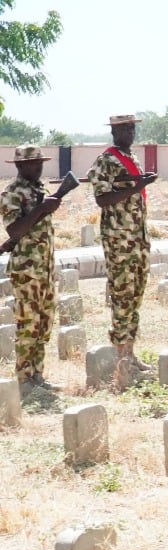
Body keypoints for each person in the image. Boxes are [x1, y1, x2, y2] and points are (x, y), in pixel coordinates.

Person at [87, 114, 158, 390]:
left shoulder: (131, 158)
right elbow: (102, 199)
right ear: (115, 131)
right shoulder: (107, 160)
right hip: (119, 240)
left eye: (133, 128)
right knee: (122, 295)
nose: (131, 132)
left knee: (135, 294)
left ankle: (130, 352)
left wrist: (139, 182)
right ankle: (120, 357)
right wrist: (139, 185)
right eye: (126, 129)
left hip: (137, 239)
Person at [2, 145, 63, 405]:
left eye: (40, 162)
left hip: (44, 267)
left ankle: (37, 373)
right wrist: (41, 209)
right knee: (28, 323)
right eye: (33, 163)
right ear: (20, 166)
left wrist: (46, 205)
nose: (39, 167)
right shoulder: (12, 194)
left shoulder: (40, 189)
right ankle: (24, 379)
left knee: (44, 323)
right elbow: (14, 230)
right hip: (27, 270)